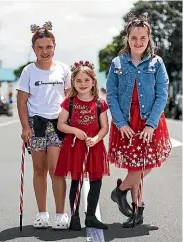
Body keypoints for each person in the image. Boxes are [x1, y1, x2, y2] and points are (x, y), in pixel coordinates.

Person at [106, 12, 172, 228]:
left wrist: (152, 124)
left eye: (143, 38)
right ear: (127, 38)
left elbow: (162, 94)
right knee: (135, 166)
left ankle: (120, 190)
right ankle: (138, 210)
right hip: (126, 122)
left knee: (146, 163)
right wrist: (120, 123)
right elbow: (111, 95)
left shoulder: (156, 62)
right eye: (134, 38)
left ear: (148, 39)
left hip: (149, 121)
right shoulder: (117, 63)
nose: (138, 42)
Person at [17, 21, 71, 229]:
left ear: (54, 47)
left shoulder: (64, 70)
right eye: (40, 48)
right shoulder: (28, 71)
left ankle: (60, 214)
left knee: (56, 170)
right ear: (33, 50)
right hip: (36, 124)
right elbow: (22, 101)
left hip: (58, 124)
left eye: (48, 47)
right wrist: (25, 127)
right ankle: (42, 214)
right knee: (39, 169)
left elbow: (69, 98)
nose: (44, 51)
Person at [55, 61, 109, 231]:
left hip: (95, 147)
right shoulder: (69, 102)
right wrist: (75, 130)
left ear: (93, 81)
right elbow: (61, 124)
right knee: (76, 182)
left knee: (96, 181)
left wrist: (96, 139)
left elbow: (105, 127)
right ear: (73, 83)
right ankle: (75, 217)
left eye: (86, 80)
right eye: (78, 80)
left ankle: (91, 216)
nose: (83, 84)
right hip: (75, 148)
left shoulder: (100, 103)